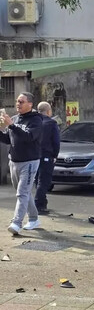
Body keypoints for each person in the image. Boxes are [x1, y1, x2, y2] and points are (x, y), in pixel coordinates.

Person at [0, 92, 43, 235]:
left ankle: (16, 223)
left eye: (21, 101)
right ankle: (34, 218)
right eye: (17, 101)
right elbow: (8, 139)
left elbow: (29, 137)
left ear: (30, 104)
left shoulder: (36, 120)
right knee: (24, 192)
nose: (18, 104)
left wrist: (12, 126)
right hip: (14, 161)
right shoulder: (14, 119)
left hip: (29, 162)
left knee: (22, 193)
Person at [34, 101, 60, 215]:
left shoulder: (34, 122)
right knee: (44, 181)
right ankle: (39, 206)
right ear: (49, 111)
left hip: (33, 156)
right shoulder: (51, 123)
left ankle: (42, 203)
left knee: (37, 180)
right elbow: (56, 141)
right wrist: (55, 155)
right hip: (46, 156)